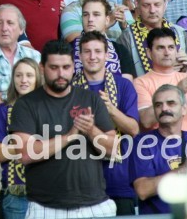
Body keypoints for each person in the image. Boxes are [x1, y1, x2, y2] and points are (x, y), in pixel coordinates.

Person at [10, 39, 118, 217]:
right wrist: (70, 136)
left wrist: (91, 130)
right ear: (42, 68)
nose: (61, 73)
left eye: (66, 67)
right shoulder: (26, 104)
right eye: (54, 68)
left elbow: (114, 149)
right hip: (45, 208)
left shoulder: (91, 99)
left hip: (95, 204)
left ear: (73, 67)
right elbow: (25, 154)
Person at [76, 31, 140, 215]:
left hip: (118, 178)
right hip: (82, 180)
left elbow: (134, 129)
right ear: (80, 56)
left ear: (107, 54)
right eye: (87, 51)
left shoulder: (123, 85)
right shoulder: (71, 89)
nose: (92, 56)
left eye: (97, 51)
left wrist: (111, 109)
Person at [131, 84, 187, 215]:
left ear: (184, 109)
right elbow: (142, 190)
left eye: (171, 103)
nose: (164, 108)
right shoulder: (142, 143)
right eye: (158, 105)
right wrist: (184, 170)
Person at [133, 28, 187, 133]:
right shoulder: (141, 82)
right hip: (162, 147)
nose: (167, 53)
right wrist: (179, 90)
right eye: (160, 48)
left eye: (171, 47)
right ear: (149, 52)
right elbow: (146, 121)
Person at [0, 58, 41, 219]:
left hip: (47, 192)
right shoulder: (2, 111)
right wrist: (35, 146)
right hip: (17, 195)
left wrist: (18, 146)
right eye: (18, 75)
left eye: (29, 76)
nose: (23, 80)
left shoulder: (48, 109)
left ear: (37, 79)